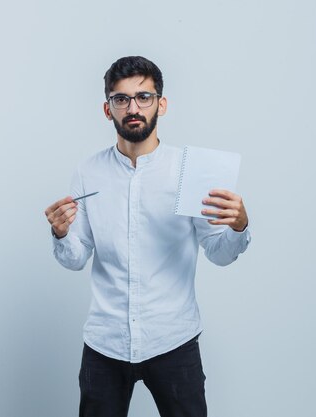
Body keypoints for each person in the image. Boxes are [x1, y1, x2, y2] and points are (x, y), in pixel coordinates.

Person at [44, 56, 251, 417]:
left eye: (144, 97)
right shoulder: (89, 171)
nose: (133, 108)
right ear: (108, 109)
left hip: (173, 339)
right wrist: (61, 233)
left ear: (161, 104)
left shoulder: (189, 170)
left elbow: (218, 253)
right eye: (121, 99)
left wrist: (238, 226)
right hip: (104, 344)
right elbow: (76, 258)